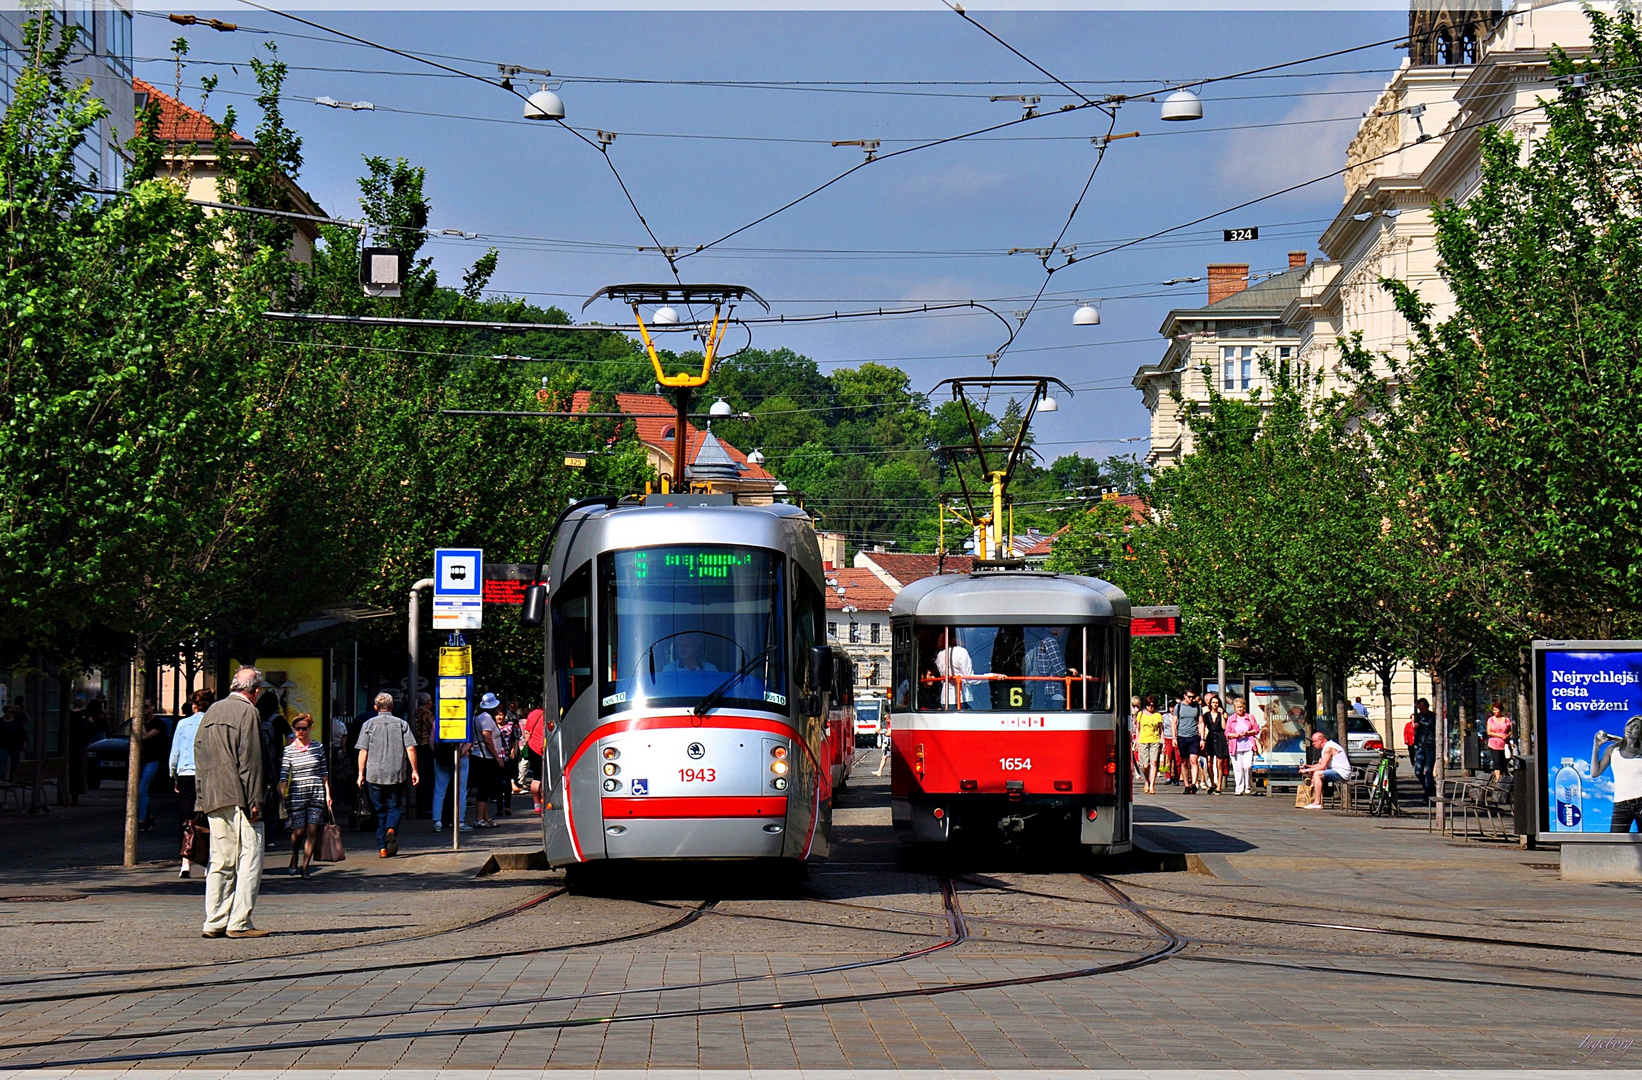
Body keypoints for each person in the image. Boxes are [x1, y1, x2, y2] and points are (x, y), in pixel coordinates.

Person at [195, 666, 269, 939]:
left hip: (214, 795)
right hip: (240, 795)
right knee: (250, 858)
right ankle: (239, 922)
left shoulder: (213, 710)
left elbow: (199, 752)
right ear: (256, 691)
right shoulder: (249, 711)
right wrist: (255, 801)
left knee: (220, 860)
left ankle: (213, 921)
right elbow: (251, 760)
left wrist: (201, 797)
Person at [357, 692, 419, 857]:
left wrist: (360, 774)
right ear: (392, 707)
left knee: (379, 810)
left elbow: (363, 751)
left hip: (374, 774)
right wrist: (415, 770)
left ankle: (382, 847)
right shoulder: (401, 724)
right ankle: (391, 828)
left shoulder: (368, 725)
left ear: (376, 707)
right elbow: (411, 748)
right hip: (396, 773)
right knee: (395, 806)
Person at [281, 713, 332, 876]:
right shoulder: (289, 750)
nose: (300, 731)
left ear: (310, 729)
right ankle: (295, 855)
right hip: (296, 793)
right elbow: (284, 773)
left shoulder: (318, 747)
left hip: (316, 791)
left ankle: (305, 866)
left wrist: (328, 793)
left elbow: (324, 771)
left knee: (312, 829)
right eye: (297, 729)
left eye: (303, 728)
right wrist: (282, 792)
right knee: (299, 831)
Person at [169, 691, 208, 878]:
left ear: (194, 706)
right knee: (207, 817)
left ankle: (186, 861)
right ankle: (207, 861)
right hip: (207, 774)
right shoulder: (212, 723)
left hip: (186, 774)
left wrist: (173, 774)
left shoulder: (183, 724)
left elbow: (175, 752)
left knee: (186, 818)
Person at [1592, 716, 1642, 833]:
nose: (1630, 728)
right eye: (1629, 724)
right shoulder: (1612, 750)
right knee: (1616, 843)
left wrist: (1611, 737)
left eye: (1636, 727)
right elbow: (1595, 773)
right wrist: (1596, 747)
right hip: (1620, 805)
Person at [470, 693, 504, 829]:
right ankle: (479, 819)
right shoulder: (487, 718)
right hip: (485, 758)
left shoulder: (478, 717)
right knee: (484, 789)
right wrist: (497, 757)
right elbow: (487, 739)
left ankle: (485, 817)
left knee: (486, 789)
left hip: (480, 756)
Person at [1299, 729, 1351, 810]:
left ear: (1321, 741)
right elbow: (1320, 764)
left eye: (1314, 741)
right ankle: (1315, 799)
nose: (1313, 744)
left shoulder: (1328, 748)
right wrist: (1308, 766)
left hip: (1341, 773)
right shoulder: (1327, 747)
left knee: (1317, 774)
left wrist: (1306, 771)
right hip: (1336, 771)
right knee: (1315, 772)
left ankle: (1317, 802)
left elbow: (1323, 766)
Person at [136, 700, 165, 832]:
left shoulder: (159, 724)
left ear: (152, 707)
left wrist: (139, 722)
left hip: (152, 760)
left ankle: (142, 820)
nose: (144, 709)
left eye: (146, 707)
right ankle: (149, 817)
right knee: (140, 790)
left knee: (142, 788)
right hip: (139, 760)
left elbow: (145, 736)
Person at [1226, 698, 1261, 796]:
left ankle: (1248, 786)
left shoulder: (1249, 717)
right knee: (1238, 768)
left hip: (1248, 745)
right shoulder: (1231, 719)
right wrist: (1234, 735)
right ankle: (1239, 787)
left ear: (1244, 707)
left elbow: (1256, 729)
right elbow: (1227, 732)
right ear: (1235, 708)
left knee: (1247, 766)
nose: (1240, 709)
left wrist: (1248, 732)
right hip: (1236, 746)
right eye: (1238, 707)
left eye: (1241, 707)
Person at [1174, 690, 1204, 794]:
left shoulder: (1197, 706)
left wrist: (1202, 738)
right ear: (1185, 696)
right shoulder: (1178, 707)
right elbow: (1174, 722)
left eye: (1193, 697)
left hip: (1194, 736)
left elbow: (1201, 722)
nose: (1191, 699)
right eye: (1190, 697)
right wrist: (1174, 737)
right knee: (1184, 761)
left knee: (1194, 759)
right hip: (1182, 736)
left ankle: (1194, 783)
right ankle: (1186, 785)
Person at [1135, 695, 1165, 795]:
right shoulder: (1141, 714)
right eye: (1148, 705)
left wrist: (1163, 741)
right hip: (1143, 740)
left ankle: (1152, 785)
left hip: (1155, 740)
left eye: (1152, 705)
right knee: (1145, 765)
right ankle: (1147, 781)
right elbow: (1137, 728)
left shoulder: (1158, 715)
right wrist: (1137, 741)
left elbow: (1161, 729)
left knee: (1154, 763)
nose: (1150, 707)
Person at [1410, 698, 1437, 803]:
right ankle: (1429, 788)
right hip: (1421, 746)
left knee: (1428, 771)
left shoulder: (1433, 717)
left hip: (1431, 746)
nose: (1421, 710)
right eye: (1419, 709)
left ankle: (1429, 795)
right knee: (1418, 771)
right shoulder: (1419, 717)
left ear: (1427, 707)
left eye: (1422, 708)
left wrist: (1421, 724)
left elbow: (1433, 727)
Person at [522, 706, 547, 814]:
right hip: (544, 748)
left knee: (536, 777)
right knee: (546, 777)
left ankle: (537, 804)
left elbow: (527, 731)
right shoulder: (548, 714)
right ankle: (545, 802)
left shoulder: (532, 714)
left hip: (532, 747)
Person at [1203, 695, 1229, 795]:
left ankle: (1219, 785)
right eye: (1213, 703)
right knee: (1209, 762)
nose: (1215, 705)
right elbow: (1203, 726)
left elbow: (1224, 727)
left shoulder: (1223, 714)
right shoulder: (1206, 715)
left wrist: (1222, 715)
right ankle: (1212, 783)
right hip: (1210, 737)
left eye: (1217, 703)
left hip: (1220, 737)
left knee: (1219, 763)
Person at [936, 640, 974, 709]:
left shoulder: (940, 654)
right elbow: (969, 678)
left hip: (945, 698)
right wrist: (990, 677)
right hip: (962, 698)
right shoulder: (961, 652)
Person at [1484, 701, 1512, 782]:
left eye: (1496, 710)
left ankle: (1502, 778)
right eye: (1494, 710)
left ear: (1500, 710)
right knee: (1497, 762)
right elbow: (1489, 732)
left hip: (1503, 745)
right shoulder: (1491, 720)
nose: (1495, 712)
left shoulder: (1506, 720)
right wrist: (1500, 735)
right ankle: (1498, 780)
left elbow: (1510, 731)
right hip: (1494, 744)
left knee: (1503, 762)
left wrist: (1507, 736)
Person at [0, 704, 28, 781]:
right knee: (2, 761)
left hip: (15, 744)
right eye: (6, 712)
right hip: (3, 744)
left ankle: (13, 778)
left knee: (15, 762)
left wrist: (24, 742)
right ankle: (2, 778)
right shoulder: (0, 721)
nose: (8, 713)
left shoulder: (17, 721)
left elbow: (22, 732)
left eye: (10, 712)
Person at [1161, 704, 1180, 785]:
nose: (1172, 709)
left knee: (1178, 760)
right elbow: (1161, 728)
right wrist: (1162, 740)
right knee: (1167, 758)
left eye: (1174, 708)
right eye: (1171, 707)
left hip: (1177, 738)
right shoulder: (1164, 716)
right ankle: (1167, 777)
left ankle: (1176, 778)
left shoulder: (1179, 716)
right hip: (1167, 738)